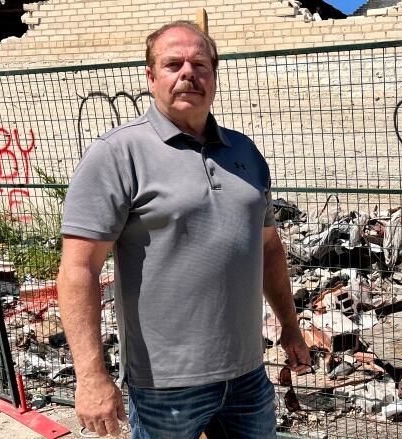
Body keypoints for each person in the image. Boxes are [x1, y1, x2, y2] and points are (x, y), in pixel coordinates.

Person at [57, 20, 310, 438]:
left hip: (248, 375)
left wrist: (290, 326)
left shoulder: (245, 152)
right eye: (173, 64)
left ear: (215, 74)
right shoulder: (117, 154)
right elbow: (77, 270)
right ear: (151, 76)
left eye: (200, 64)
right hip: (165, 387)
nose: (188, 73)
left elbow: (268, 250)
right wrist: (90, 378)